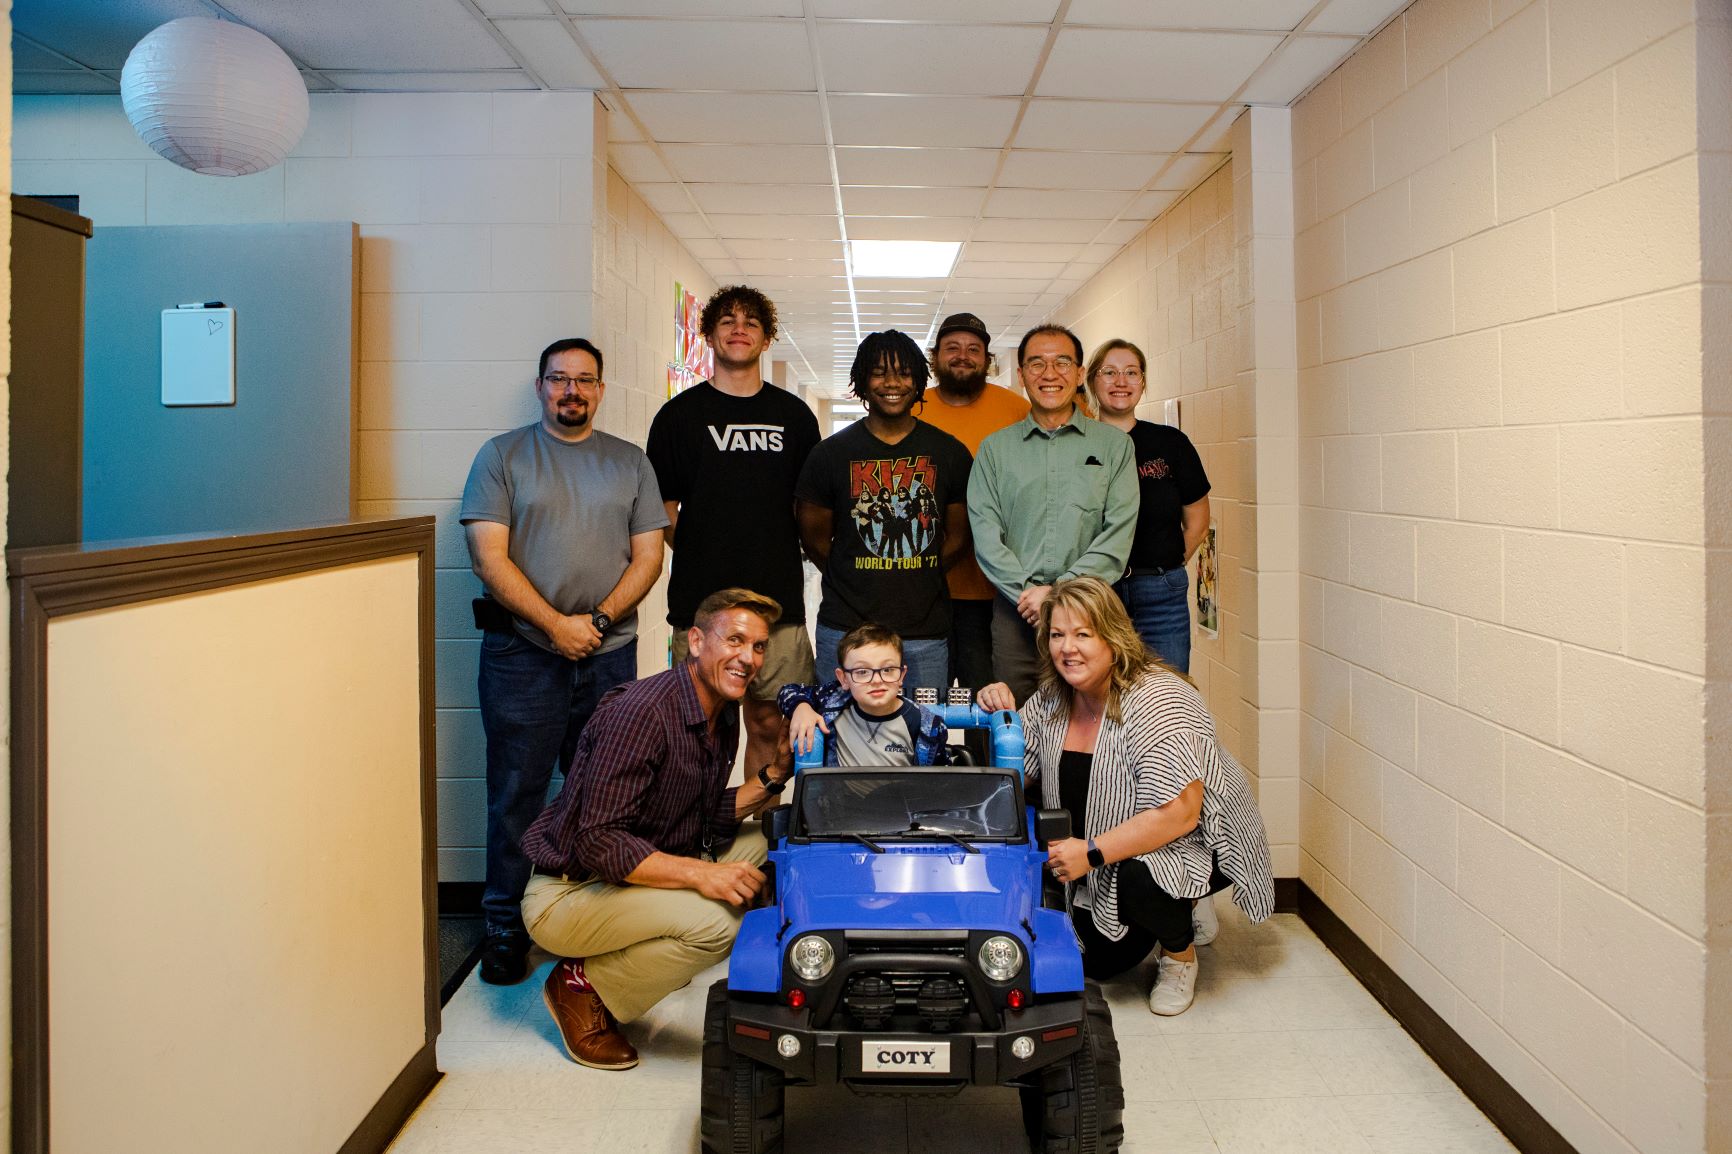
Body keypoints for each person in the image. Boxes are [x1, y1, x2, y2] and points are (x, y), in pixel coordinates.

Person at [460, 337, 667, 986]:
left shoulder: (630, 463)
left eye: (585, 380)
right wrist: (554, 626)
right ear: (540, 385)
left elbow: (649, 557)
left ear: (601, 389)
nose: (571, 390)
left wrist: (597, 622)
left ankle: (591, 924)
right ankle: (504, 928)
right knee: (515, 794)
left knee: (603, 794)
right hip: (521, 657)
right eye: (559, 379)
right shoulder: (502, 457)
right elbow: (487, 557)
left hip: (608, 659)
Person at [518, 589, 795, 1069]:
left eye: (758, 646)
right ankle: (582, 987)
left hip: (628, 873)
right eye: (734, 640)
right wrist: (700, 875)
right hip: (570, 893)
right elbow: (599, 841)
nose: (748, 658)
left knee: (776, 844)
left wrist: (773, 776)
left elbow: (702, 811)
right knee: (717, 925)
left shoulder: (719, 710)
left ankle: (656, 953)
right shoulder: (643, 713)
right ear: (695, 641)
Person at [978, 576, 1273, 1016]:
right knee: (1097, 963)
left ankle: (1179, 954)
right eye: (1057, 635)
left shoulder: (1158, 698)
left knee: (1141, 879)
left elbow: (1181, 814)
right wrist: (997, 714)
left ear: (1113, 636)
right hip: (1098, 848)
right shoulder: (1055, 695)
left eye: (1083, 634)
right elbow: (1015, 775)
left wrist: (1092, 854)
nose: (1067, 648)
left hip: (1191, 840)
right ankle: (1169, 907)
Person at [646, 285, 822, 776]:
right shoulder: (678, 417)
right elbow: (662, 505)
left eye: (750, 321)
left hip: (779, 604)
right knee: (698, 727)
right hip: (701, 604)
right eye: (726, 320)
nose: (738, 328)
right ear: (709, 335)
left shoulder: (794, 417)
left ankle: (759, 842)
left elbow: (806, 505)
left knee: (772, 725)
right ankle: (700, 838)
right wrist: (703, 546)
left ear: (766, 339)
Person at [967, 324, 1138, 702]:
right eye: (1036, 364)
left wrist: (1058, 596)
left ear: (1079, 374)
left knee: (1091, 718)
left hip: (1091, 612)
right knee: (1015, 720)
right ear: (1023, 374)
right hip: (1017, 613)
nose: (1049, 374)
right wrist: (1031, 596)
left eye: (1062, 362)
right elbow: (985, 534)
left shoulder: (1115, 446)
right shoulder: (995, 449)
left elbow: (1118, 533)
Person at [796, 330, 972, 691]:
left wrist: (921, 569)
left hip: (923, 633)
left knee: (922, 741)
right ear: (862, 380)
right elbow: (813, 538)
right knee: (838, 738)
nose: (892, 383)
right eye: (879, 372)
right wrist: (853, 574)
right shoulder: (830, 454)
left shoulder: (949, 452)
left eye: (904, 373)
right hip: (845, 626)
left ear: (919, 381)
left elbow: (960, 535)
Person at [914, 312, 1030, 691]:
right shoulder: (914, 408)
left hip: (996, 593)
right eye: (952, 348)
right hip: (927, 590)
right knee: (927, 706)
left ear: (986, 359)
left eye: (973, 349)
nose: (963, 356)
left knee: (991, 702)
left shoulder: (1016, 411)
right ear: (935, 357)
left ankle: (985, 756)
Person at [1083, 339, 1211, 674]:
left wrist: (1166, 565)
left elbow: (1197, 521)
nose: (1121, 381)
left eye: (1131, 373)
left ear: (1143, 382)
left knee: (1167, 698)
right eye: (1109, 373)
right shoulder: (1076, 444)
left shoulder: (1171, 443)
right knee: (1100, 696)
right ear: (1093, 380)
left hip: (1161, 594)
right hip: (1097, 593)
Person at [778, 622, 952, 767]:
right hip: (841, 804)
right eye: (862, 672)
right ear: (843, 678)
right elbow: (787, 691)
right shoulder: (832, 699)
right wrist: (801, 707)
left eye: (888, 669)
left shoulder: (925, 724)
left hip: (901, 804)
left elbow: (938, 784)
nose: (876, 680)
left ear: (901, 675)